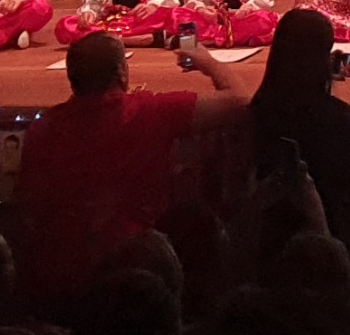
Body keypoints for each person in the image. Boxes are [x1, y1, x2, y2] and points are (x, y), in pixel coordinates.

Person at [17, 30, 250, 313]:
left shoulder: (42, 129)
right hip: (135, 275)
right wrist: (208, 62)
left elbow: (29, 207)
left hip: (60, 279)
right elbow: (240, 100)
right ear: (121, 73)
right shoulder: (147, 111)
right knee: (197, 222)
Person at [241, 9, 350, 251]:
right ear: (318, 59)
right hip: (331, 236)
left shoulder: (262, 105)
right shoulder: (335, 117)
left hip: (273, 237)